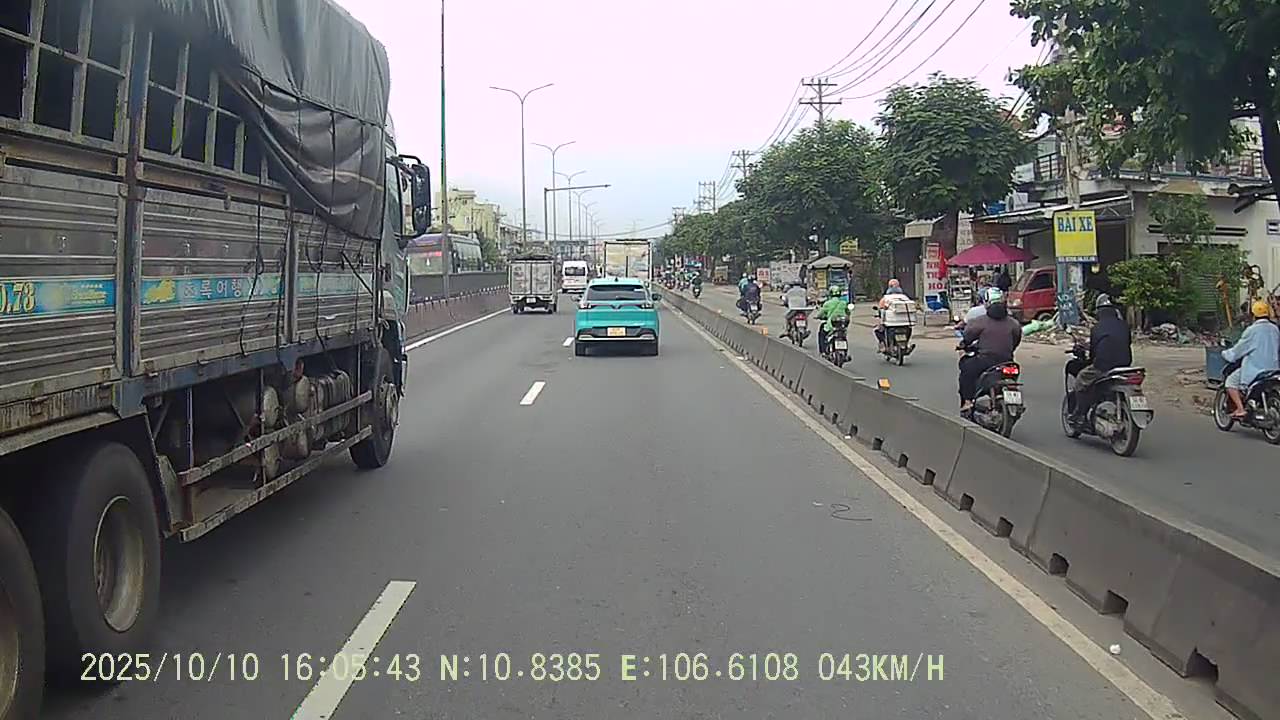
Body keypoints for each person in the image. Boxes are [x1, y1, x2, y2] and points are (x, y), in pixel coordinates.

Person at [1068, 294, 1133, 421]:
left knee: (1081, 379)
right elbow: (1127, 343)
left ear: (1099, 312)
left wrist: (1091, 360)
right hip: (1125, 364)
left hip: (1104, 365)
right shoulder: (1124, 325)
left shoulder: (1097, 328)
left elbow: (1093, 353)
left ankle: (1080, 414)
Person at [957, 294, 1022, 411]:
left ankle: (967, 401)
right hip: (1007, 361)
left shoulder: (981, 321)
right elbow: (1016, 340)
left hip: (985, 360)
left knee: (966, 370)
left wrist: (964, 344)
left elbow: (968, 335)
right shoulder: (1014, 323)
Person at [1222, 300, 1280, 419]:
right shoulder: (1275, 329)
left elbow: (1239, 350)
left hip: (1256, 368)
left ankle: (1240, 409)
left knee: (1230, 382)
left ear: (1253, 315)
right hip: (1273, 368)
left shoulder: (1252, 330)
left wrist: (1226, 354)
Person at [814, 286, 850, 355]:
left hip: (830, 326)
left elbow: (821, 314)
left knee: (822, 334)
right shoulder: (844, 303)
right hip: (842, 325)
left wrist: (818, 317)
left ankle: (823, 351)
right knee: (843, 335)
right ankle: (845, 353)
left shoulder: (827, 303)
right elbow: (848, 313)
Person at [874, 279, 908, 350]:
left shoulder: (885, 298)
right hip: (904, 323)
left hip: (890, 323)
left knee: (878, 330)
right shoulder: (905, 297)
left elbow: (880, 308)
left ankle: (883, 344)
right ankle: (906, 345)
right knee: (909, 329)